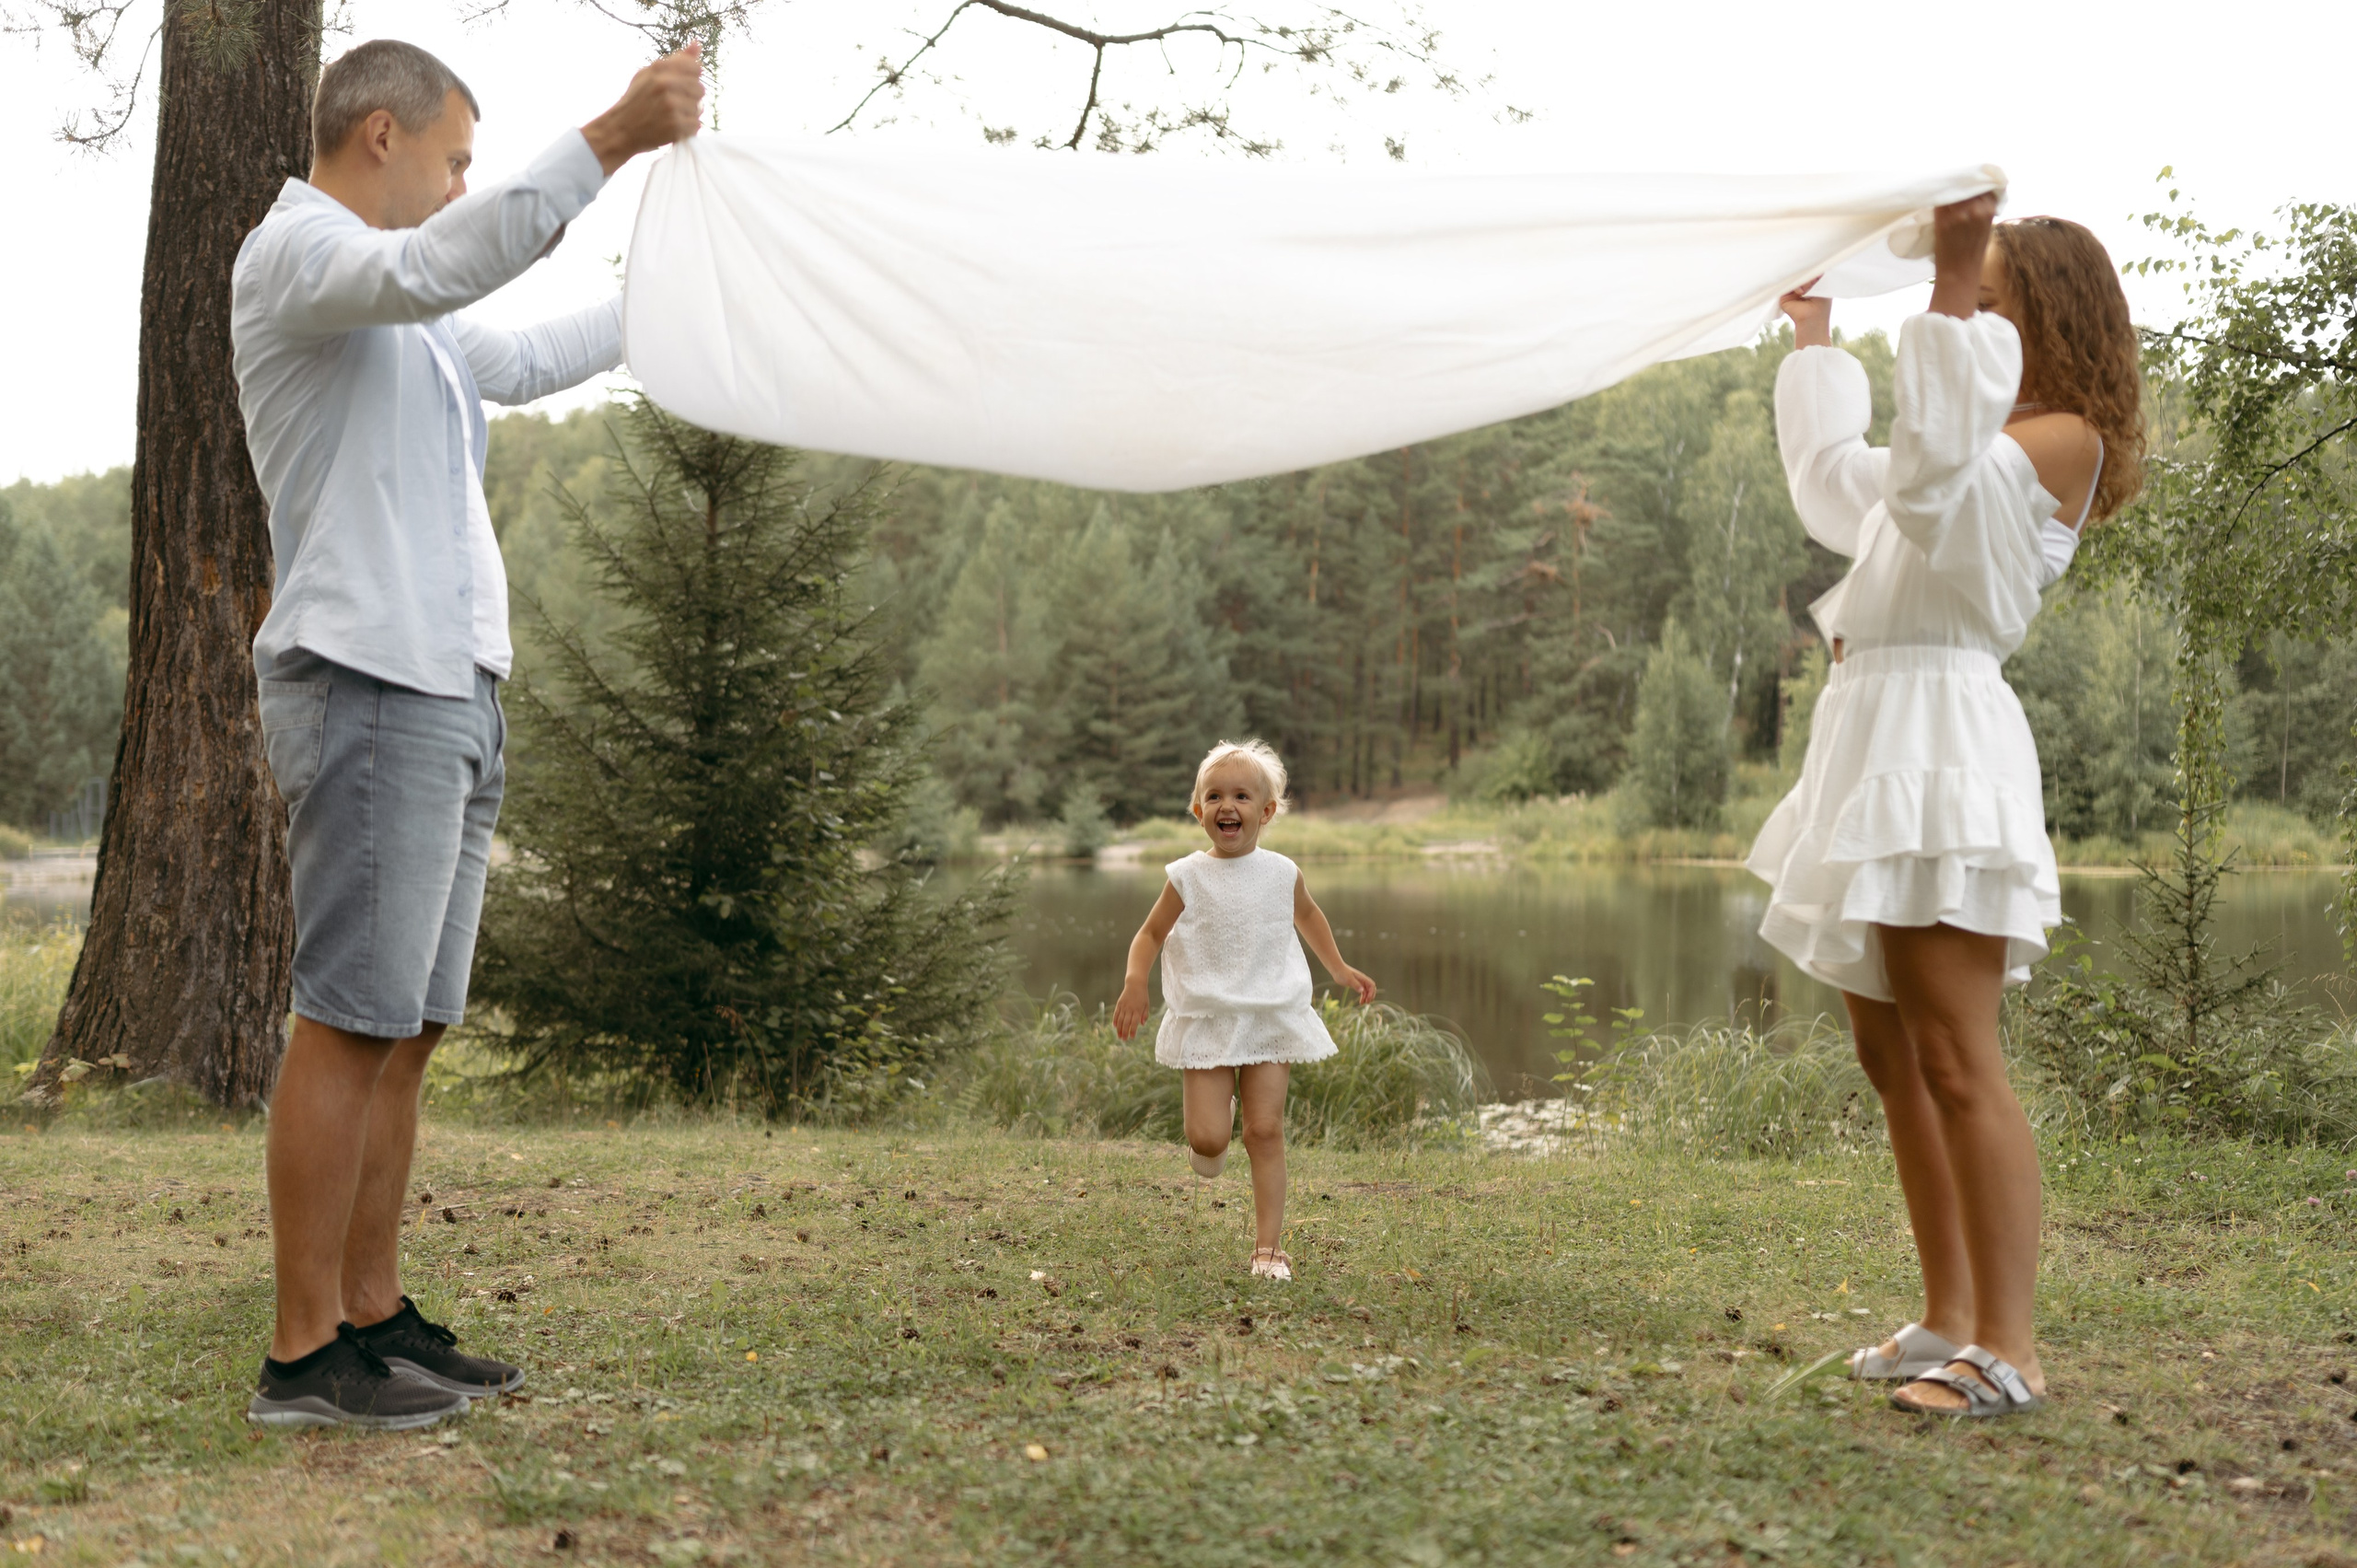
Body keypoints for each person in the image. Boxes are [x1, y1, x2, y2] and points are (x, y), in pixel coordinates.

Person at [230, 37, 703, 1430]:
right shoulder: (299, 257)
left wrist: (669, 301)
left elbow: (529, 351)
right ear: (379, 134)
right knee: (348, 1020)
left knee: (409, 1026)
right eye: (452, 161)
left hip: (449, 689)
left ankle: (371, 1313)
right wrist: (611, 137)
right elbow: (444, 263)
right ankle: (303, 1354)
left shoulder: (410, 309)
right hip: (368, 678)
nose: (458, 189)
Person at [1748, 197, 2144, 1416]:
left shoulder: (2062, 440)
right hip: (1872, 733)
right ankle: (1948, 1314)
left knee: (1959, 1055)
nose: (1969, 308)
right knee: (1893, 1053)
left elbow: (1928, 488)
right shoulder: (1970, 440)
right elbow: (1838, 491)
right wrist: (1816, 335)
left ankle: (2008, 1349)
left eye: (1991, 294)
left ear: (2042, 316)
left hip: (1942, 741)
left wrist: (1949, 280)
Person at [1112, 741, 1378, 1281]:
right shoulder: (1186, 875)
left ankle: (1268, 1250)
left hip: (1269, 1013)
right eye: (1214, 797)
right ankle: (1216, 1122)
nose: (1226, 806)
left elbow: (1310, 917)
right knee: (1208, 1141)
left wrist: (1338, 968)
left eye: (1240, 796)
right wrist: (1135, 981)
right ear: (1198, 811)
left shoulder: (1282, 873)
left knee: (1264, 1131)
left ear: (1266, 811)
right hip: (1208, 1016)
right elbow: (1149, 934)